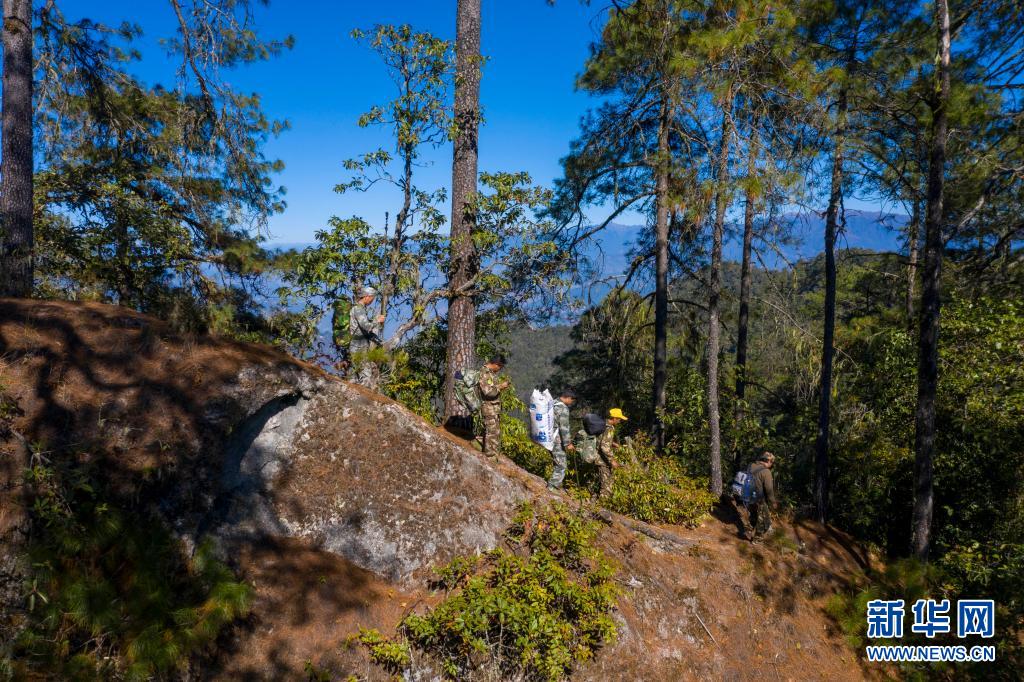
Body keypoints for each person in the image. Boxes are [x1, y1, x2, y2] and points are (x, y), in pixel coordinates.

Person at [349, 286, 386, 389]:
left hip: (359, 345)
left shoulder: (360, 309)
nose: (372, 300)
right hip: (358, 347)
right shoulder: (358, 309)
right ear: (367, 297)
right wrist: (377, 321)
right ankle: (362, 399)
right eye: (372, 298)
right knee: (366, 375)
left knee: (355, 375)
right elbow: (366, 326)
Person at [738, 451, 777, 542]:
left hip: (746, 496)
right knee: (763, 521)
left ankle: (749, 530)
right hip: (758, 499)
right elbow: (769, 490)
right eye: (772, 462)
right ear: (768, 461)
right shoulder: (766, 472)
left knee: (753, 515)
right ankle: (757, 540)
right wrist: (773, 502)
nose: (772, 465)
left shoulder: (751, 465)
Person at [478, 355, 509, 458]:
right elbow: (488, 392)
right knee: (491, 433)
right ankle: (490, 457)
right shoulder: (485, 373)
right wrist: (501, 386)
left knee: (494, 432)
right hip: (488, 408)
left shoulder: (490, 373)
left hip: (493, 409)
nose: (499, 370)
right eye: (500, 367)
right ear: (496, 364)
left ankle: (491, 454)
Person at [546, 389, 577, 491]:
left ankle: (556, 484)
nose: (571, 403)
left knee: (556, 461)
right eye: (572, 400)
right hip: (556, 440)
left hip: (547, 437)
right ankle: (552, 487)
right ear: (568, 398)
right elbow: (564, 428)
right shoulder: (563, 408)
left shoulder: (552, 403)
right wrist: (568, 443)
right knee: (562, 465)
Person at [596, 408, 627, 498]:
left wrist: (613, 444)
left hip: (598, 457)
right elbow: (604, 447)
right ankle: (603, 504)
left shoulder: (603, 424)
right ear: (614, 418)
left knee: (602, 480)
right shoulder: (609, 428)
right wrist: (612, 460)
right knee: (607, 484)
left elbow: (602, 440)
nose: (620, 421)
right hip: (602, 460)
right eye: (619, 419)